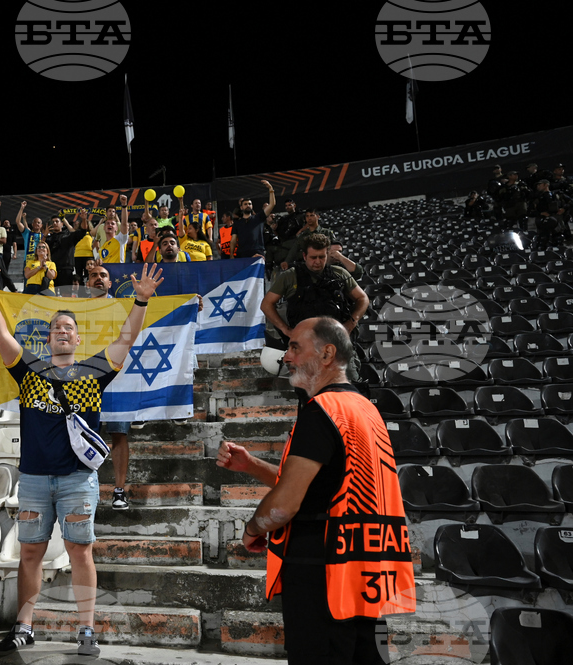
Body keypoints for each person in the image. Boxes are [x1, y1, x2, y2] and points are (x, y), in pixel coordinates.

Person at [0, 255, 163, 657]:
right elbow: (0, 331)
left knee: (79, 551)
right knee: (29, 553)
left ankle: (86, 630)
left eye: (69, 328)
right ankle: (24, 627)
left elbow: (126, 339)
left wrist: (140, 302)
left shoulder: (94, 371)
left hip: (78, 478)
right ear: (49, 338)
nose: (62, 331)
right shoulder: (29, 370)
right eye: (57, 327)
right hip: (36, 478)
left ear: (78, 340)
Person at [216, 317, 414, 664]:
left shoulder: (320, 411)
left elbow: (286, 505)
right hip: (364, 572)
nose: (286, 357)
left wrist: (252, 528)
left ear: (326, 353)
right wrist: (252, 466)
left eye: (295, 346)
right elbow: (322, 486)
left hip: (322, 574)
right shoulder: (364, 408)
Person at [260, 233, 369, 382]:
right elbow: (266, 304)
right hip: (306, 348)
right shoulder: (290, 276)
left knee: (349, 389)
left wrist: (351, 322)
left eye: (322, 257)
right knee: (310, 396)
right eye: (313, 257)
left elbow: (362, 298)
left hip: (337, 345)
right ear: (304, 256)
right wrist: (286, 330)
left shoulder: (338, 274)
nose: (318, 261)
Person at [85, 265, 132, 509]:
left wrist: (188, 304)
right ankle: (83, 490)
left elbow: (152, 315)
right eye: (94, 275)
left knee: (119, 434)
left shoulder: (124, 308)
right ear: (87, 282)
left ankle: (119, 490)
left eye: (103, 275)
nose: (99, 279)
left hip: (117, 380)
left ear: (110, 283)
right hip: (85, 381)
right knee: (82, 434)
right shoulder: (77, 309)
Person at [229, 180, 275, 259]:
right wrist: (231, 254)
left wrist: (271, 189)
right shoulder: (237, 223)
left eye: (249, 204)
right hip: (242, 253)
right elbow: (233, 240)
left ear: (252, 206)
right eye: (245, 204)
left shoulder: (259, 217)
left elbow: (272, 204)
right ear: (241, 207)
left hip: (258, 252)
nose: (248, 205)